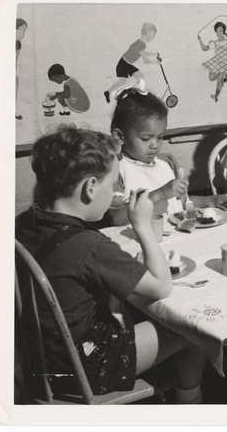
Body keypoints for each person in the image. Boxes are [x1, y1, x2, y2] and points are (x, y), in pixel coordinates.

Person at [15, 126, 207, 403]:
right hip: (81, 368)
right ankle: (191, 404)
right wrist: (141, 225)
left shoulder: (26, 221)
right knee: (190, 331)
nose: (119, 193)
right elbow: (162, 287)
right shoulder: (90, 245)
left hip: (39, 359)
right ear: (91, 187)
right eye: (115, 183)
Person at [105, 90, 227, 226]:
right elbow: (116, 217)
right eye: (146, 139)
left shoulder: (166, 163)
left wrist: (213, 200)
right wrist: (160, 194)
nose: (155, 145)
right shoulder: (116, 170)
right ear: (120, 137)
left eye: (160, 137)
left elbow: (182, 204)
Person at [104, 23, 160, 104]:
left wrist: (155, 61)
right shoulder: (139, 44)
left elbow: (146, 61)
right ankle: (113, 92)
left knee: (140, 77)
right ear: (148, 32)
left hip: (127, 64)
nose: (153, 38)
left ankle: (134, 94)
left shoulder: (142, 44)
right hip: (123, 64)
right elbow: (144, 54)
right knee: (123, 81)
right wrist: (154, 54)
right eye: (152, 35)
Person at [198, 21, 227, 102]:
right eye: (217, 31)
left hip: (224, 62)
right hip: (216, 61)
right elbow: (204, 48)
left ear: (224, 31)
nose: (218, 33)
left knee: (220, 79)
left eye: (220, 31)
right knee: (211, 78)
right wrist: (199, 40)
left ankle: (216, 96)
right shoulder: (214, 42)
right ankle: (224, 75)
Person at [16, 18, 28, 120]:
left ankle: (14, 111)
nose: (23, 35)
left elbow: (15, 60)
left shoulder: (18, 43)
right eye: (23, 31)